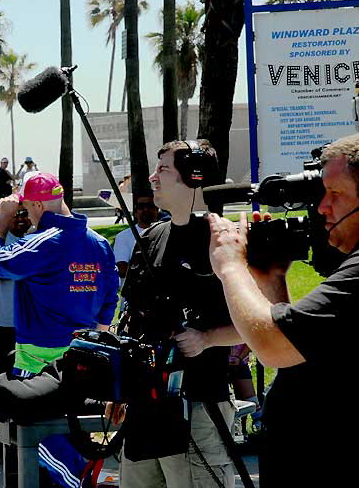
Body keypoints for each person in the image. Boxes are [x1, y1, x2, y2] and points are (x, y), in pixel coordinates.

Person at [205, 130, 359, 487]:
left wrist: (229, 264)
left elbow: (272, 344)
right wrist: (271, 276)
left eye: (335, 195)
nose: (322, 207)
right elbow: (296, 351)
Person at [118, 140, 236, 488]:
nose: (152, 178)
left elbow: (259, 324)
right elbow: (130, 316)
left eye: (163, 170)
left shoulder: (226, 240)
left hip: (199, 407)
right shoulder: (151, 237)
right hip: (143, 408)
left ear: (195, 176)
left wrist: (207, 338)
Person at [0, 172, 118, 377]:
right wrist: (97, 336)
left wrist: (3, 218)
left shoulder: (43, 242)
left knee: (32, 409)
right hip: (85, 353)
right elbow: (110, 296)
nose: (27, 216)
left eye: (27, 209)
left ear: (38, 205)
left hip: (37, 358)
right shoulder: (99, 242)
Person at [0, 206, 32, 460]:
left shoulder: (38, 240)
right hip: (1, 324)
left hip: (29, 325)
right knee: (1, 383)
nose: (21, 219)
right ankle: (3, 439)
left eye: (25, 213)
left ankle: (26, 438)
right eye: (16, 214)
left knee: (28, 384)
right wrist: (0, 220)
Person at [113, 192, 158, 288]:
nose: (146, 209)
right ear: (135, 212)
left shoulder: (167, 232)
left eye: (150, 206)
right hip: (134, 295)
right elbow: (122, 269)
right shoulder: (123, 237)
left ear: (156, 209)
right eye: (141, 206)